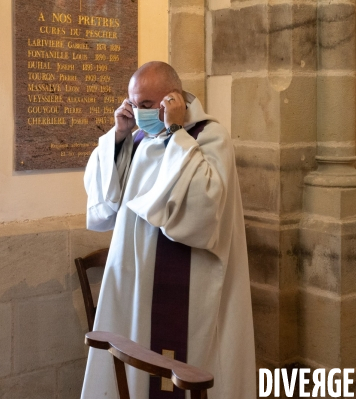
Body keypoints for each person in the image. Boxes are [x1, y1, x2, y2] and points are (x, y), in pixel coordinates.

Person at [81, 61, 256, 399]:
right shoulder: (140, 137)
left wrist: (176, 133)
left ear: (173, 99)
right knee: (133, 355)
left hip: (189, 281)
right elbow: (106, 201)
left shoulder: (208, 136)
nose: (138, 112)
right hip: (136, 281)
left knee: (180, 361)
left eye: (146, 105)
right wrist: (118, 136)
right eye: (133, 103)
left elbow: (204, 209)